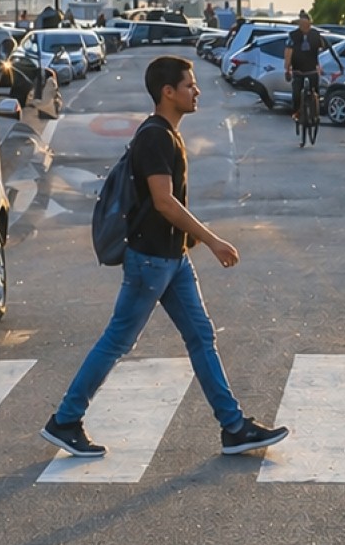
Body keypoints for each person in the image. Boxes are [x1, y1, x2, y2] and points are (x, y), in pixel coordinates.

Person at [41, 56, 289, 461]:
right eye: (189, 85)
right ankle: (66, 420)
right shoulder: (155, 137)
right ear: (167, 92)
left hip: (172, 259)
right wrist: (212, 240)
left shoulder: (166, 134)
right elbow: (164, 202)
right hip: (151, 260)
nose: (197, 91)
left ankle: (233, 427)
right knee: (118, 340)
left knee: (201, 337)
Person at [283, 12, 342, 130]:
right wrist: (287, 68)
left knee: (315, 92)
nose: (305, 26)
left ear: (310, 24)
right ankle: (297, 113)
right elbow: (288, 52)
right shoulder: (293, 36)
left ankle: (315, 112)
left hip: (312, 70)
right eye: (302, 24)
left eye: (307, 24)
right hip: (298, 70)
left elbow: (324, 48)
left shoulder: (315, 34)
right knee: (296, 94)